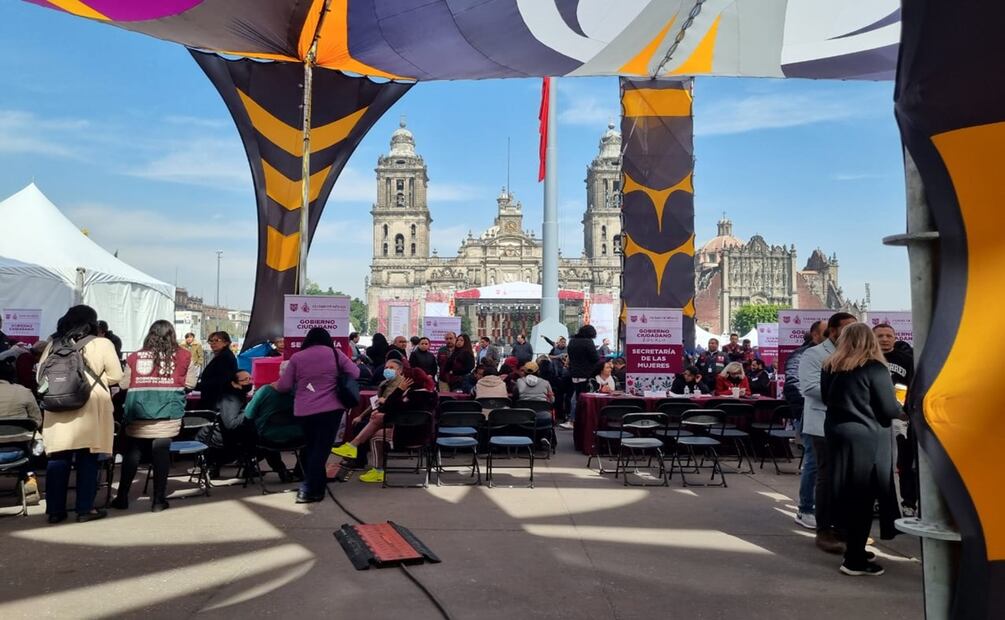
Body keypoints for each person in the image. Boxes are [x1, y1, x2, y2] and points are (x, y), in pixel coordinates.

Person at [821, 323, 903, 576]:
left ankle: (853, 547)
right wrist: (902, 407)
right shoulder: (875, 368)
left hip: (837, 435)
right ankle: (854, 560)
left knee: (845, 496)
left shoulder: (830, 366)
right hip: (867, 438)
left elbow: (825, 399)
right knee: (863, 499)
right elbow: (888, 409)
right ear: (871, 341)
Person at [38, 305, 123, 524]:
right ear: (92, 323)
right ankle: (85, 509)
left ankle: (55, 511)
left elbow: (40, 376)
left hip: (58, 407)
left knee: (58, 460)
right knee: (88, 459)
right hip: (90, 407)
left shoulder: (53, 345)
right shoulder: (103, 343)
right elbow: (116, 375)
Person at [111, 320, 194, 513]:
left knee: (133, 453)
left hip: (138, 412)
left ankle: (122, 497)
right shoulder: (184, 356)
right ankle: (158, 500)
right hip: (168, 412)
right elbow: (190, 383)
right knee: (161, 454)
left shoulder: (134, 357)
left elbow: (123, 385)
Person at [273, 327, 359, 503]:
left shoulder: (297, 357)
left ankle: (312, 486)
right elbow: (356, 373)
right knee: (321, 450)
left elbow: (284, 386)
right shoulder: (336, 354)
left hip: (304, 410)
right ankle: (311, 489)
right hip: (331, 409)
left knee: (311, 448)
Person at [799, 311, 858, 554]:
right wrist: (854, 396)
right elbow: (811, 388)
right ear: (832, 331)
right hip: (822, 424)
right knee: (827, 476)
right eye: (846, 329)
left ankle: (844, 527)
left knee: (847, 478)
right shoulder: (814, 354)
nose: (851, 334)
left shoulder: (857, 354)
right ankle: (823, 530)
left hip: (852, 424)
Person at [784, 320, 826, 530]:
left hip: (833, 417)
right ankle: (806, 509)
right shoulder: (801, 356)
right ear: (815, 335)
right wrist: (804, 409)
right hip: (810, 415)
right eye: (825, 333)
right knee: (813, 462)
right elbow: (793, 385)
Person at [874, 323, 917, 516]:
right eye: (880, 335)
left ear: (895, 337)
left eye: (888, 335)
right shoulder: (868, 358)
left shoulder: (907, 360)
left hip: (901, 417)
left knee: (904, 460)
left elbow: (914, 386)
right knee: (878, 462)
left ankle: (909, 502)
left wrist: (907, 410)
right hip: (875, 417)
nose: (884, 339)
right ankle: (878, 500)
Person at [196, 331, 238, 411]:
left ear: (226, 343)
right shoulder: (221, 356)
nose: (213, 343)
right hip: (215, 398)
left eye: (217, 340)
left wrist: (197, 386)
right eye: (211, 341)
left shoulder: (225, 357)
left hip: (217, 400)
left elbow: (219, 381)